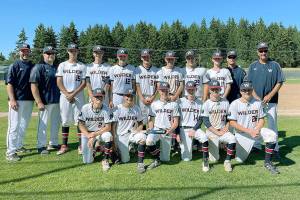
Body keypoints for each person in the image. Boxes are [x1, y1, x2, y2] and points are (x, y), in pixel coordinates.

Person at [228, 81, 279, 174]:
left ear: (252, 91)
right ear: (241, 91)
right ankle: (235, 147)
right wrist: (249, 131)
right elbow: (232, 122)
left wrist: (257, 129)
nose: (247, 92)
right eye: (244, 90)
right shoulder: (235, 104)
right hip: (242, 134)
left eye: (249, 90)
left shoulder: (257, 103)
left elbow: (262, 119)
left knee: (271, 135)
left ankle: (268, 162)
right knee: (240, 160)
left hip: (255, 131)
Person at [248, 42, 285, 155]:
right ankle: (256, 145)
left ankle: (274, 148)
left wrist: (269, 96)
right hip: (256, 101)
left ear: (268, 51)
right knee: (256, 124)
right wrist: (256, 97)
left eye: (265, 50)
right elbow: (249, 84)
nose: (263, 52)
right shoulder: (253, 66)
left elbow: (279, 82)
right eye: (261, 50)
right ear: (257, 52)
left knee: (272, 124)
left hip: (271, 102)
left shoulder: (274, 65)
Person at [56, 43, 86, 155]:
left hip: (78, 95)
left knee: (79, 120)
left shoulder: (82, 66)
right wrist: (67, 94)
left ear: (78, 51)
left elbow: (84, 83)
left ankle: (81, 145)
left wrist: (73, 94)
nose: (73, 52)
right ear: (68, 52)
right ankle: (64, 145)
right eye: (71, 50)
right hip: (65, 96)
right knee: (65, 120)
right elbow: (59, 81)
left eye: (75, 50)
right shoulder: (62, 65)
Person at [6, 43, 34, 161]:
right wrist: (12, 99)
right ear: (19, 52)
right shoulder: (14, 65)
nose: (25, 53)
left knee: (23, 125)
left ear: (29, 52)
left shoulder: (33, 66)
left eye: (27, 50)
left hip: (29, 100)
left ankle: (19, 146)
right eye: (23, 51)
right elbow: (9, 84)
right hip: (16, 100)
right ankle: (10, 152)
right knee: (14, 126)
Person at [30, 46, 61, 154]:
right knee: (43, 124)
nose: (50, 55)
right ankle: (41, 146)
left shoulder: (57, 67)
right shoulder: (38, 67)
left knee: (55, 123)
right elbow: (34, 86)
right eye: (48, 53)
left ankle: (53, 142)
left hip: (57, 101)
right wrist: (39, 102)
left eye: (52, 53)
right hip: (45, 102)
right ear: (43, 55)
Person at [201, 80, 236, 172]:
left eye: (217, 89)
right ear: (209, 90)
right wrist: (217, 132)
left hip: (223, 130)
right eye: (213, 89)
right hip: (212, 131)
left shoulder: (225, 102)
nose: (215, 90)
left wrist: (226, 127)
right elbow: (206, 122)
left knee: (232, 138)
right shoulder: (206, 104)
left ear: (220, 89)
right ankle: (217, 149)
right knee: (214, 159)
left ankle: (227, 161)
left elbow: (229, 118)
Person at [111, 89, 147, 173]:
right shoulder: (118, 109)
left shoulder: (136, 108)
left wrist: (138, 130)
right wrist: (114, 141)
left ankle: (140, 163)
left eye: (131, 96)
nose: (129, 98)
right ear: (123, 97)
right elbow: (113, 126)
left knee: (142, 137)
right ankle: (127, 148)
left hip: (132, 133)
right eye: (127, 96)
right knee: (125, 160)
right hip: (121, 135)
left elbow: (141, 123)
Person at [78, 88, 113, 171]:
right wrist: (89, 136)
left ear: (104, 97)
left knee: (108, 136)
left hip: (99, 133)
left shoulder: (106, 109)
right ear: (92, 98)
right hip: (88, 133)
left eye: (101, 97)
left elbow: (108, 127)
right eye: (96, 97)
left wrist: (94, 135)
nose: (98, 99)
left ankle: (105, 160)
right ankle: (96, 148)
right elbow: (80, 125)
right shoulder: (85, 108)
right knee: (87, 161)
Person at [178, 81, 210, 172]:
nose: (191, 91)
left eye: (192, 89)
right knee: (187, 158)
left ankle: (205, 161)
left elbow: (201, 119)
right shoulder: (180, 101)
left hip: (195, 128)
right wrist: (177, 134)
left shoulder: (200, 103)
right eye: (189, 89)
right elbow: (176, 119)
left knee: (204, 137)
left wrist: (194, 129)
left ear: (195, 89)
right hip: (183, 129)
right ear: (186, 90)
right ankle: (183, 146)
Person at [146, 82, 180, 167]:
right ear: (159, 91)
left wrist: (170, 131)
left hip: (168, 130)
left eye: (166, 90)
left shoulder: (174, 104)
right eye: (162, 90)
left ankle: (158, 153)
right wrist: (151, 129)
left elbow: (176, 122)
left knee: (165, 159)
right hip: (157, 129)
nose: (164, 92)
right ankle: (156, 158)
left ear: (169, 90)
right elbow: (151, 120)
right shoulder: (154, 104)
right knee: (149, 141)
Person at [135, 49, 158, 128]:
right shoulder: (137, 69)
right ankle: (142, 135)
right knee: (142, 118)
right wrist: (142, 98)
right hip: (142, 96)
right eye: (144, 57)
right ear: (141, 58)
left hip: (152, 96)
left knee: (151, 117)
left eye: (147, 57)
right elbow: (137, 85)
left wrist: (153, 97)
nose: (146, 58)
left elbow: (158, 86)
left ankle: (151, 136)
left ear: (150, 57)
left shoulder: (156, 70)